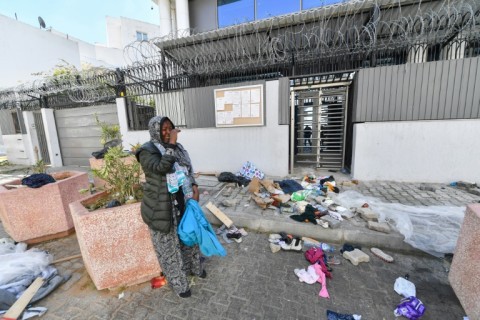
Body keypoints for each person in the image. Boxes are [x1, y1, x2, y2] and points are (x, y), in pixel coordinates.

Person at [135, 116, 204, 298]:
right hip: (162, 207)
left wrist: (194, 186)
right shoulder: (146, 151)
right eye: (163, 129)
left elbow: (187, 168)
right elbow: (161, 168)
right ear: (155, 131)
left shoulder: (179, 149)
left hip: (183, 200)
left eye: (169, 129)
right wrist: (171, 144)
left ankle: (193, 267)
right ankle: (179, 283)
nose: (167, 133)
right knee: (169, 247)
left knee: (189, 237)